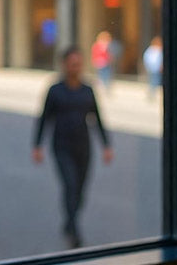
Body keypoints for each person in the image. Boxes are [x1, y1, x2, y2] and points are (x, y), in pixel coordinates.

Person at [33, 45, 113, 249]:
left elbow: (97, 117)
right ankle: (74, 229)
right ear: (64, 65)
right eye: (72, 64)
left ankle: (69, 221)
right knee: (70, 185)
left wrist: (106, 145)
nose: (75, 67)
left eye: (78, 64)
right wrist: (37, 145)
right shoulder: (55, 90)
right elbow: (44, 118)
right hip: (61, 146)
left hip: (84, 147)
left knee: (81, 190)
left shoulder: (88, 90)